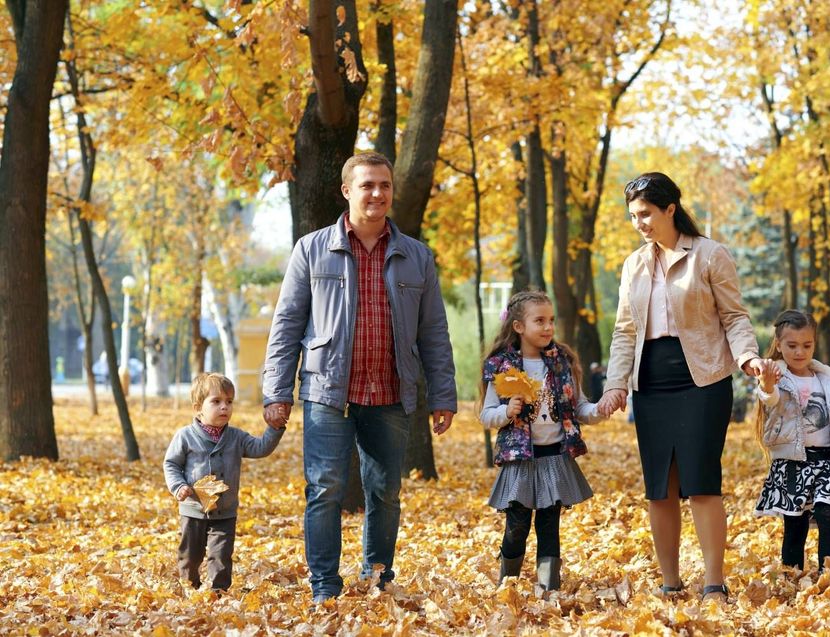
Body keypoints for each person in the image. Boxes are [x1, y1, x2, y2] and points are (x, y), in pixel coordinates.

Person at [261, 152, 457, 603]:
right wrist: (277, 391)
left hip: (390, 393)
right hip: (328, 392)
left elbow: (434, 333)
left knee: (385, 492)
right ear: (347, 191)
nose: (377, 194)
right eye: (368, 185)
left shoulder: (417, 257)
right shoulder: (311, 249)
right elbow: (287, 323)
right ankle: (325, 586)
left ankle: (377, 579)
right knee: (325, 488)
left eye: (384, 185)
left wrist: (443, 395)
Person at [596, 172, 766, 602]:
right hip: (650, 385)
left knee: (701, 480)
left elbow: (734, 317)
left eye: (647, 213)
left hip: (703, 380)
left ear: (670, 209)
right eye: (634, 216)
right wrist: (616, 384)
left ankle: (714, 582)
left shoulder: (709, 254)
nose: (640, 223)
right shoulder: (634, 265)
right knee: (660, 485)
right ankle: (669, 582)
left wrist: (747, 357)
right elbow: (624, 331)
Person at [478, 289, 606, 591]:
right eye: (540, 321)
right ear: (519, 326)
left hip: (554, 458)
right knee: (517, 525)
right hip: (521, 460)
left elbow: (580, 408)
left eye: (551, 320)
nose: (548, 327)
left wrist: (600, 410)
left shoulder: (562, 361)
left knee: (549, 524)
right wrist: (507, 411)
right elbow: (486, 415)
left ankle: (549, 587)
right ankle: (508, 582)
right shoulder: (502, 365)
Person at [163, 373, 285, 592]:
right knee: (190, 556)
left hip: (225, 511)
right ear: (198, 407)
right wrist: (179, 486)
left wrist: (275, 429)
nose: (224, 407)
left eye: (229, 402)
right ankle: (190, 587)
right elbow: (171, 464)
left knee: (221, 556)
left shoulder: (236, 437)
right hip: (194, 509)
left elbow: (260, 448)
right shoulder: (185, 436)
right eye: (216, 401)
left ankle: (218, 593)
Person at [752, 309, 830, 572]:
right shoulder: (777, 379)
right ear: (779, 345)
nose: (799, 352)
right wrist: (767, 385)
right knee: (795, 525)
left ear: (814, 345)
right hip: (793, 463)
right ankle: (791, 574)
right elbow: (770, 400)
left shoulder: (827, 381)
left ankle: (828, 573)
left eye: (806, 345)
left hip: (826, 462)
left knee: (829, 514)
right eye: (792, 345)